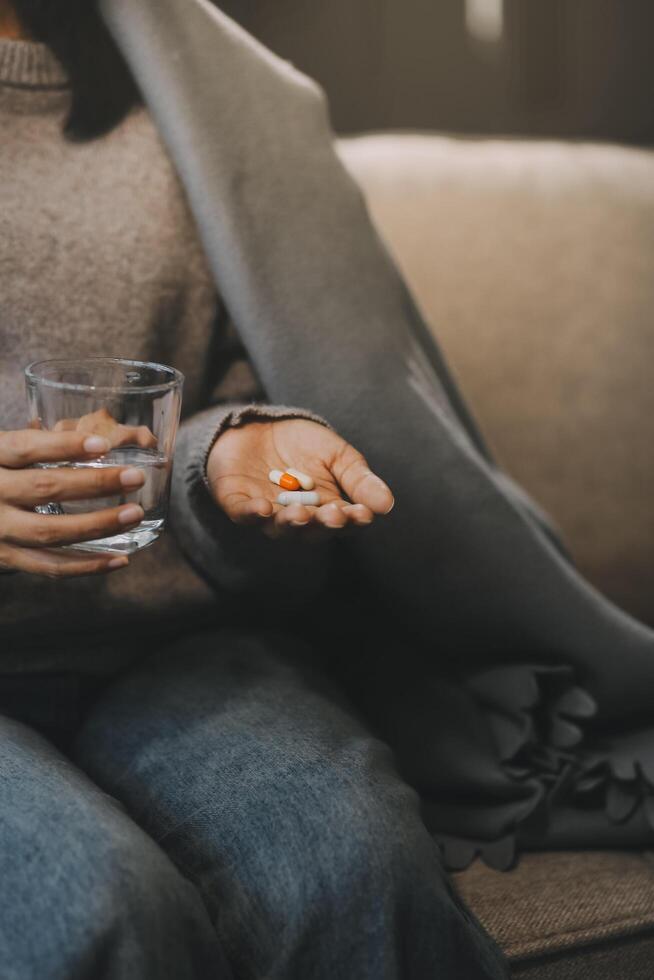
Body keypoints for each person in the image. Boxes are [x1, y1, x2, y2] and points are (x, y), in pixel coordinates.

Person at [0, 0, 509, 977]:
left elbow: (227, 386)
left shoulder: (203, 83)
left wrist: (228, 454)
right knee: (99, 908)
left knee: (350, 865)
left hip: (172, 644)